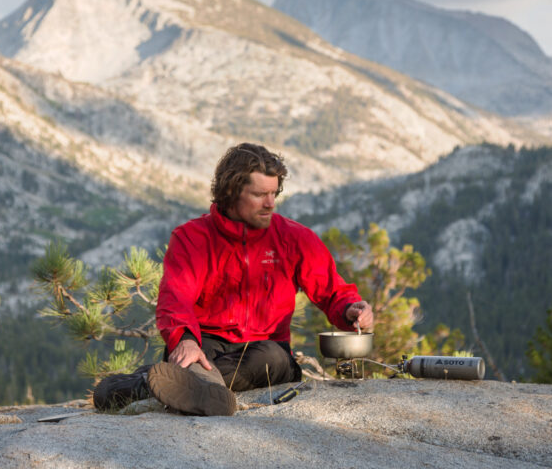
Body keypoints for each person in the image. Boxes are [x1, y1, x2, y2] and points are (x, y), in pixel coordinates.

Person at [94, 143, 374, 415]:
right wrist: (186, 341)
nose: (270, 204)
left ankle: (156, 384)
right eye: (259, 194)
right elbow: (175, 300)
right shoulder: (191, 238)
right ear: (231, 192)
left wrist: (351, 309)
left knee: (272, 361)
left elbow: (333, 290)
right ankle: (194, 388)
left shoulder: (295, 239)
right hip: (204, 344)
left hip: (266, 350)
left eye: (274, 193)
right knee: (195, 358)